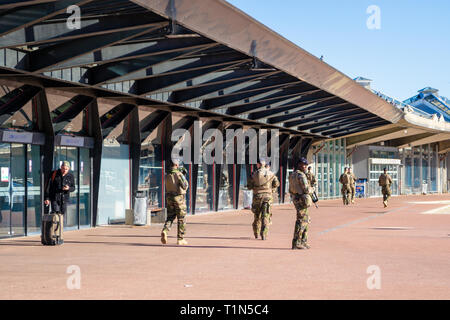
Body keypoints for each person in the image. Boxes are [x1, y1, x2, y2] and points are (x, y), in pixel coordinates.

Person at [247, 158, 279, 240]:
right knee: (266, 215)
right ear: (264, 164)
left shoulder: (253, 174)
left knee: (257, 216)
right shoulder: (271, 174)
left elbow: (249, 186)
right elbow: (276, 183)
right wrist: (272, 189)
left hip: (257, 197)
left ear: (258, 164)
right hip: (267, 197)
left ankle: (256, 232)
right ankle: (264, 234)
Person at [161, 159, 189, 245]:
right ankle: (180, 239)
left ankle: (165, 230)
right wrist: (184, 175)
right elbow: (185, 186)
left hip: (169, 198)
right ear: (176, 165)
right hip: (179, 198)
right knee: (181, 218)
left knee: (170, 216)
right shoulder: (179, 174)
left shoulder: (167, 175)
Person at [289, 158, 314, 250]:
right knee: (301, 221)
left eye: (306, 165)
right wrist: (312, 190)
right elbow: (306, 189)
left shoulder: (292, 175)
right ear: (299, 164)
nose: (305, 167)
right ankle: (296, 242)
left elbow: (290, 189)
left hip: (296, 198)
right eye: (303, 165)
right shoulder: (301, 175)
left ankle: (303, 241)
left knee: (306, 220)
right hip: (301, 200)